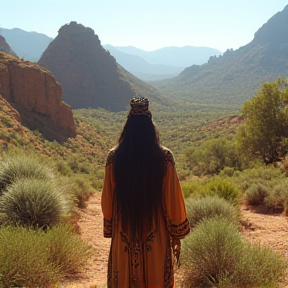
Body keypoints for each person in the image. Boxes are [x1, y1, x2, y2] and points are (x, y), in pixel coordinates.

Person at [101, 97, 190, 288]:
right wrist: (177, 230)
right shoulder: (164, 157)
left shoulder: (114, 157)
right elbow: (173, 198)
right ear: (151, 124)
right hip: (155, 234)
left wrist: (109, 226)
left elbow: (108, 201)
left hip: (122, 232)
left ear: (128, 124)